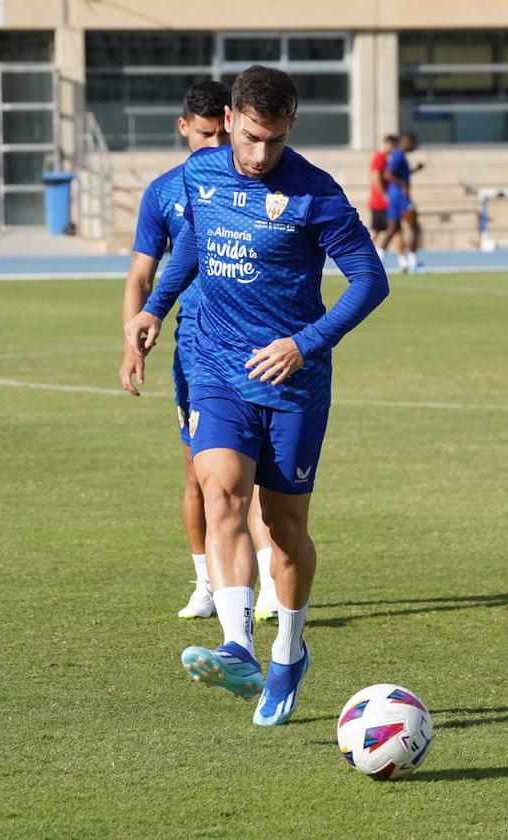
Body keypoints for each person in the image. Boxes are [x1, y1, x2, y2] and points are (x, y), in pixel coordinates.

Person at [124, 65, 389, 725]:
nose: (260, 153)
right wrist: (155, 306)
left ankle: (289, 652)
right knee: (221, 493)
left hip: (292, 381)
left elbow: (368, 281)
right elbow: (195, 247)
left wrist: (306, 341)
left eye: (273, 141)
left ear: (289, 127)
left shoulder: (316, 194)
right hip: (214, 366)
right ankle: (238, 643)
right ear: (232, 118)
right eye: (249, 138)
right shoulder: (201, 174)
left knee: (285, 526)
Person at [118, 80, 278, 623]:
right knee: (198, 473)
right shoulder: (167, 191)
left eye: (221, 134)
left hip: (257, 337)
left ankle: (269, 582)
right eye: (203, 134)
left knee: (258, 475)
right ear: (185, 127)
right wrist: (134, 334)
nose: (214, 145)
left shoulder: (259, 183)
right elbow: (142, 273)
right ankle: (207, 582)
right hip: (196, 343)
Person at [383, 132, 423, 273]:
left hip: (394, 197)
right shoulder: (399, 154)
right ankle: (413, 263)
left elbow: (399, 174)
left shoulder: (397, 155)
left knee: (392, 230)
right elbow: (388, 174)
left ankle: (378, 259)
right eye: (413, 142)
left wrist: (414, 171)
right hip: (401, 197)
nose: (414, 146)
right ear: (406, 141)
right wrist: (403, 185)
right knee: (414, 228)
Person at [368, 134, 396, 260]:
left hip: (382, 201)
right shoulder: (380, 158)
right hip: (380, 202)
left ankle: (404, 260)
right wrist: (384, 195)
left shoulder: (384, 159)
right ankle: (365, 253)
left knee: (394, 228)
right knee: (377, 231)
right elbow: (375, 177)